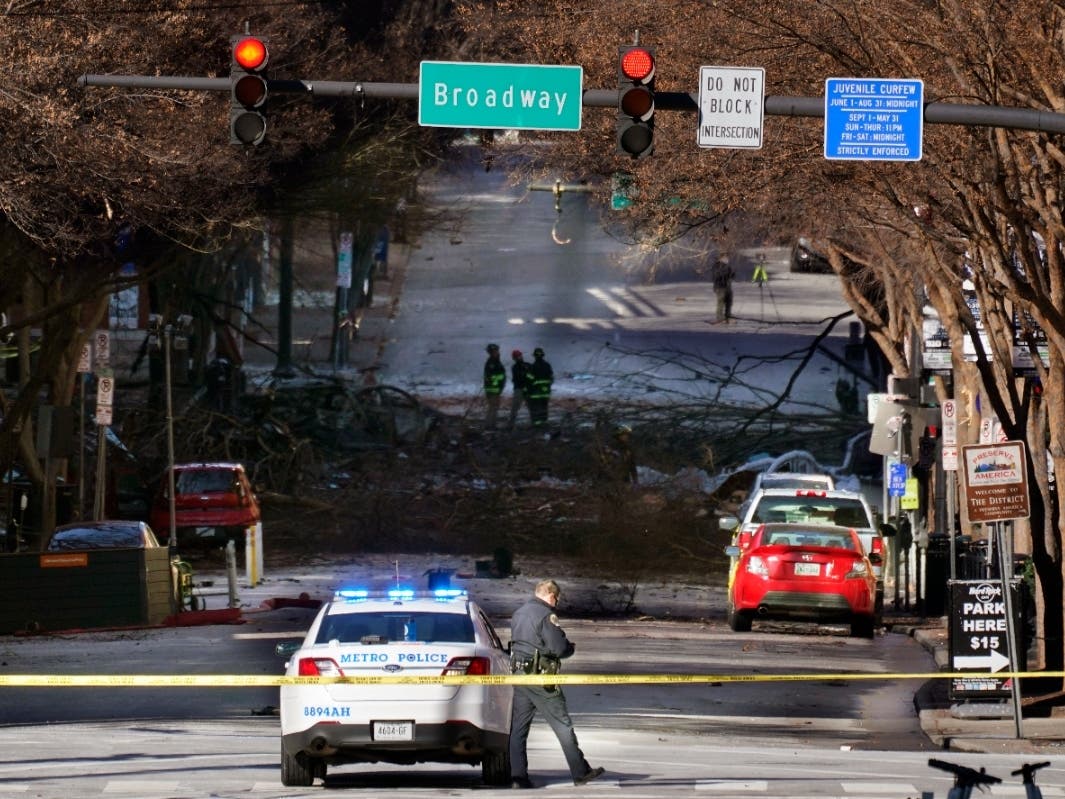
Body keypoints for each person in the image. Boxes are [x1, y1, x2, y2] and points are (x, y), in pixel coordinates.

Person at [508, 579, 604, 789]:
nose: (556, 602)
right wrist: (571, 647)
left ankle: (518, 777)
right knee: (563, 727)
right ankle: (580, 772)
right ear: (551, 595)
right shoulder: (545, 615)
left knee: (518, 730)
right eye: (556, 598)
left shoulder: (519, 613)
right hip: (542, 679)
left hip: (519, 675)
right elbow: (559, 648)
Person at [526, 347, 554, 427]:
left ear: (535, 356)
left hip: (535, 392)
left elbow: (529, 379)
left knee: (535, 408)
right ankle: (544, 422)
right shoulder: (547, 366)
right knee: (544, 407)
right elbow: (551, 378)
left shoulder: (532, 367)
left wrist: (529, 389)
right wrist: (546, 386)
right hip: (545, 392)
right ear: (542, 355)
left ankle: (537, 423)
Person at [483, 343, 506, 430]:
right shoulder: (491, 362)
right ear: (492, 352)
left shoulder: (495, 361)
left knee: (494, 407)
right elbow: (491, 376)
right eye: (496, 351)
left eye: (497, 351)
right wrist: (500, 378)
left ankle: (492, 425)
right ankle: (489, 426)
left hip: (495, 389)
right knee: (493, 408)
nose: (497, 352)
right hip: (492, 389)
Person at [508, 349, 530, 429]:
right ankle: (510, 424)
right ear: (514, 358)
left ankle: (535, 422)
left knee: (531, 406)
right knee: (515, 407)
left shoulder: (527, 365)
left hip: (527, 389)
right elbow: (518, 377)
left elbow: (531, 375)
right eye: (517, 356)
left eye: (520, 355)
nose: (519, 357)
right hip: (519, 389)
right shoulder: (515, 367)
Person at [711, 256, 736, 323]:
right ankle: (719, 317)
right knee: (721, 302)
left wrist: (732, 275)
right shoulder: (717, 266)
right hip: (720, 287)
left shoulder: (728, 266)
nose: (727, 259)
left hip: (728, 287)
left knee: (729, 302)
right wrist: (725, 277)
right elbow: (716, 276)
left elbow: (731, 275)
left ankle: (728, 315)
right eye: (725, 258)